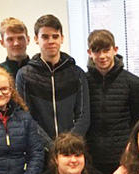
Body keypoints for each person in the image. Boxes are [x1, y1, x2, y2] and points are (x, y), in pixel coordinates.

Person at [15, 14, 90, 147]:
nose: (51, 41)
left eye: (55, 36)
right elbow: (26, 116)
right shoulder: (24, 75)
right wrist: (51, 147)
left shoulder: (77, 73)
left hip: (72, 148)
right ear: (36, 39)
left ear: (62, 38)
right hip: (39, 150)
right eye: (45, 36)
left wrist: (68, 144)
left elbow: (83, 115)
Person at [84, 29, 139, 174]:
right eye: (96, 51)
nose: (102, 56)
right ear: (89, 52)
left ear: (115, 50)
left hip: (124, 156)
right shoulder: (83, 82)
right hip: (92, 157)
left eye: (106, 50)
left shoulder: (132, 82)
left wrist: (132, 148)